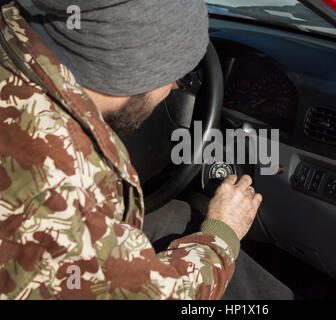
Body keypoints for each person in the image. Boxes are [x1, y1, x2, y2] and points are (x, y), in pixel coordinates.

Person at [0, 0, 293, 299]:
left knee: (178, 216)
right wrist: (223, 233)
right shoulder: (65, 183)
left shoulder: (15, 34)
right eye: (176, 76)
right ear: (136, 72)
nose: (176, 89)